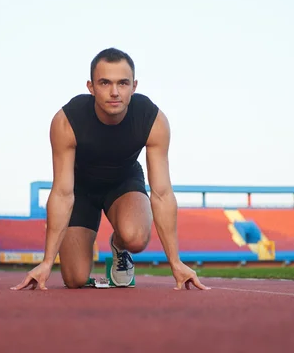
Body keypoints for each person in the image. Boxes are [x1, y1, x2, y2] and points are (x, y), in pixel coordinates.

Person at [11, 47, 208, 291]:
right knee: (75, 280)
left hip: (123, 183)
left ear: (134, 86)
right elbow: (62, 192)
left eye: (122, 83)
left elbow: (162, 193)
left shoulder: (153, 120)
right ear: (90, 87)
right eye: (105, 83)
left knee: (135, 237)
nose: (114, 92)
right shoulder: (66, 121)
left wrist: (176, 263)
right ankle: (101, 277)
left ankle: (119, 244)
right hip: (80, 188)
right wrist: (46, 262)